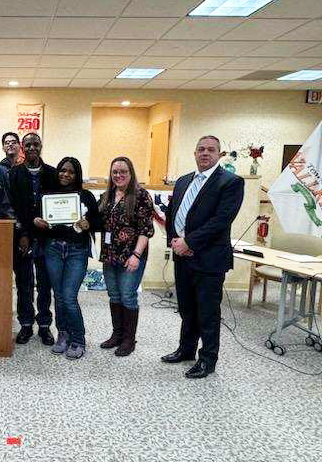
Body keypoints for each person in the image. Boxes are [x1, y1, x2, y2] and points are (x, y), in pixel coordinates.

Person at [162, 135, 244, 379]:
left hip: (209, 259)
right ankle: (186, 350)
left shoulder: (230, 182)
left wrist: (189, 242)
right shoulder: (183, 181)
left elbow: (221, 220)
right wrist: (175, 242)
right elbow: (172, 214)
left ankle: (208, 359)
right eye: (201, 149)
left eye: (211, 150)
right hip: (182, 257)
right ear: (194, 153)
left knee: (207, 312)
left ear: (219, 155)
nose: (205, 153)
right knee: (187, 308)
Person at [34, 157, 99, 359]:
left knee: (69, 297)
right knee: (59, 296)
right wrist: (36, 221)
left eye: (70, 172)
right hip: (53, 249)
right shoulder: (48, 194)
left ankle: (78, 339)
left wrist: (89, 223)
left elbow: (98, 220)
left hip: (76, 251)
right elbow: (36, 216)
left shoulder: (86, 195)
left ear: (76, 175)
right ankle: (63, 335)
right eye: (62, 170)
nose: (65, 174)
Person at [98, 157, 154, 357]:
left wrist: (136, 255)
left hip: (132, 255)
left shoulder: (141, 196)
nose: (118, 175)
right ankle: (117, 335)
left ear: (131, 173)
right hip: (110, 255)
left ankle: (129, 340)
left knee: (128, 296)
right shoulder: (107, 196)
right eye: (115, 172)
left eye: (123, 171)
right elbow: (94, 219)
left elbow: (145, 230)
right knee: (114, 295)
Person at [8, 133, 58, 346]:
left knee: (45, 285)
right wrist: (24, 234)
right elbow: (10, 207)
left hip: (47, 239)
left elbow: (58, 205)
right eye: (27, 144)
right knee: (24, 284)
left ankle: (45, 326)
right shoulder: (13, 174)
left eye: (35, 144)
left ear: (41, 146)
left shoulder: (53, 174)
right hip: (22, 238)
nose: (31, 148)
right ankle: (26, 324)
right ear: (22, 147)